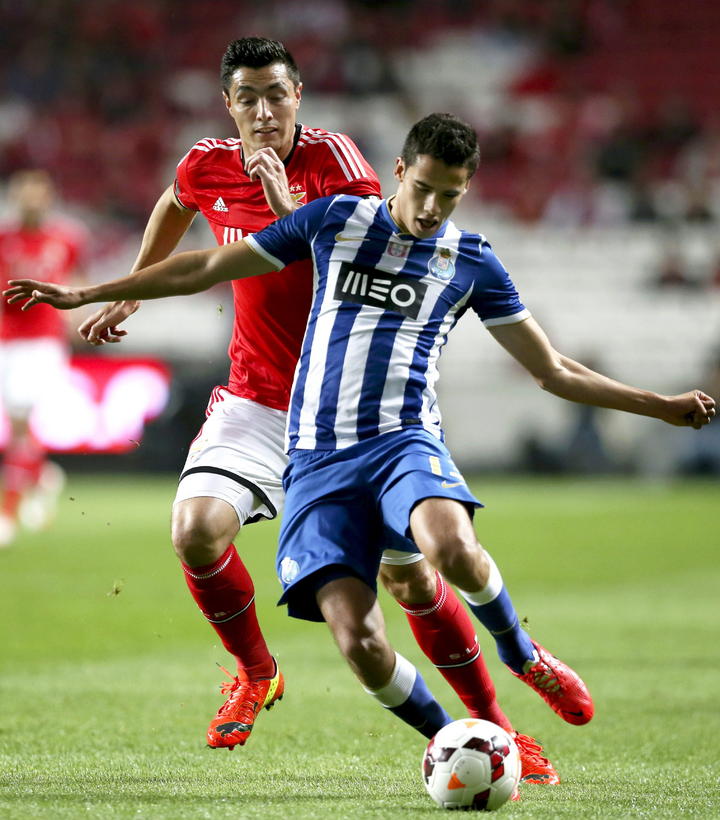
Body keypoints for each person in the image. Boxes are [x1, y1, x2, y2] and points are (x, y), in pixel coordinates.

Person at [14, 111, 711, 754]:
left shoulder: (471, 259)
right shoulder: (337, 220)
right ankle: (466, 744)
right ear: (399, 172)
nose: (432, 208)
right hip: (316, 456)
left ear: (466, 192)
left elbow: (552, 369)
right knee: (360, 642)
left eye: (450, 196)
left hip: (401, 442)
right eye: (424, 189)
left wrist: (659, 405)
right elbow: (207, 263)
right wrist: (91, 292)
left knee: (448, 547)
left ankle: (523, 655)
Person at [50, 39, 556, 781]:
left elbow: (352, 251)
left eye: (276, 95)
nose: (263, 111)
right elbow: (176, 203)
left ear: (298, 97)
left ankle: (501, 731)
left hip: (351, 415)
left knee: (413, 583)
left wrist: (283, 196)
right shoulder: (206, 164)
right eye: (247, 97)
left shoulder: (337, 163)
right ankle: (256, 673)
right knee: (194, 531)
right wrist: (132, 287)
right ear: (227, 104)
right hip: (256, 398)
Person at [0, 170, 84, 546]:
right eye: (25, 194)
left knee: (19, 427)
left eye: (38, 194)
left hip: (43, 343)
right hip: (7, 340)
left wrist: (77, 316)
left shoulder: (65, 239)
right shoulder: (4, 239)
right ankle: (43, 477)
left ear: (48, 199)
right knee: (18, 428)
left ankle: (7, 514)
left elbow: (76, 279)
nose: (31, 201)